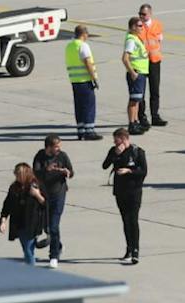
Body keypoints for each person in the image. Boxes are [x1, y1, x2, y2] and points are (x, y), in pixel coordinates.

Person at [102, 127, 148, 264]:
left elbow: (143, 171)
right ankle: (128, 247)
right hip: (120, 191)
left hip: (134, 191)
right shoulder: (114, 150)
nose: (115, 143)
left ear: (124, 139)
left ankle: (135, 250)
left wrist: (129, 171)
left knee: (133, 220)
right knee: (125, 220)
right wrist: (115, 154)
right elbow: (105, 165)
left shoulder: (137, 152)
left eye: (117, 141)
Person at [33, 135, 75, 269]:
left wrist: (68, 172)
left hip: (59, 194)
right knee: (47, 227)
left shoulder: (63, 156)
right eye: (56, 147)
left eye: (59, 146)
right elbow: (36, 173)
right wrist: (47, 169)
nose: (59, 149)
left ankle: (54, 256)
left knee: (53, 225)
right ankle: (58, 245)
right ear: (48, 147)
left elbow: (72, 172)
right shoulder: (40, 156)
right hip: (44, 195)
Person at [1, 163, 45, 267]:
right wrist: (3, 220)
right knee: (27, 249)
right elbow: (7, 204)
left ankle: (31, 271)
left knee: (28, 249)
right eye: (15, 174)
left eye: (18, 174)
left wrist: (37, 195)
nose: (16, 176)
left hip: (33, 223)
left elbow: (45, 203)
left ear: (26, 174)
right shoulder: (14, 187)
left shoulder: (36, 185)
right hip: (19, 223)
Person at [65, 24, 100, 140]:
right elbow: (87, 63)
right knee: (89, 106)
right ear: (84, 34)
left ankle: (80, 131)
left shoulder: (70, 46)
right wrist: (94, 78)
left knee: (79, 106)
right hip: (85, 80)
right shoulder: (83, 46)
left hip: (74, 81)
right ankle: (89, 131)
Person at [138, 3, 168, 127]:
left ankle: (155, 115)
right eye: (140, 14)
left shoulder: (157, 25)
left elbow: (159, 39)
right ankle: (142, 117)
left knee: (154, 90)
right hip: (141, 62)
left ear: (150, 14)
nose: (141, 16)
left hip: (155, 61)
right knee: (141, 92)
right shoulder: (137, 26)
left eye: (144, 14)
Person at [122, 16, 151, 135]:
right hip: (136, 73)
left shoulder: (136, 38)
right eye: (139, 26)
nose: (142, 27)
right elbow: (125, 58)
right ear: (133, 27)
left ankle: (135, 121)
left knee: (138, 100)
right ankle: (131, 124)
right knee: (133, 100)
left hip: (141, 72)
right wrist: (132, 72)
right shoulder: (131, 40)